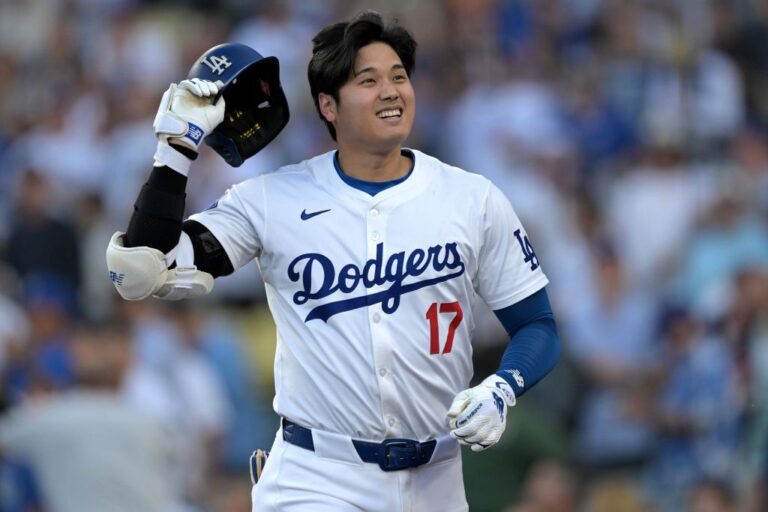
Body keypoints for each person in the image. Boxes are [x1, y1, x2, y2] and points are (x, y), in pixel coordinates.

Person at [106, 10, 560, 511]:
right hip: (317, 476)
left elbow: (537, 325)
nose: (391, 91)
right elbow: (144, 268)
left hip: (437, 480)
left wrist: (502, 387)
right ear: (328, 105)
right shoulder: (269, 200)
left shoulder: (472, 198)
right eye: (368, 80)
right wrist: (175, 149)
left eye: (399, 77)